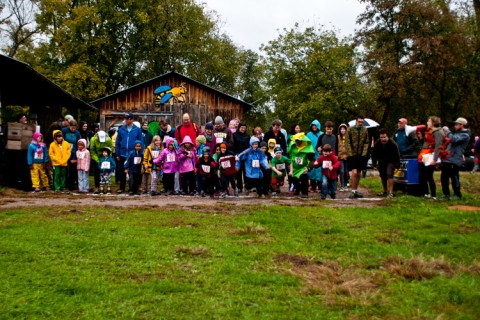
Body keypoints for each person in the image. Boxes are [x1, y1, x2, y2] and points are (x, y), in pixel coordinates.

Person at [440, 118, 471, 200]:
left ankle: (457, 194)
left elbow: (453, 140)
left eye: (456, 124)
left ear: (462, 125)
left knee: (454, 177)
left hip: (455, 159)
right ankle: (445, 193)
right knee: (444, 177)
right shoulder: (457, 134)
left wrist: (447, 131)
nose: (455, 126)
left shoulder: (465, 135)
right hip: (448, 158)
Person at [115, 113, 144, 193]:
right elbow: (117, 142)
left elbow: (141, 142)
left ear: (132, 119)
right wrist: (117, 153)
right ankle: (122, 187)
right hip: (123, 153)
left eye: (127, 119)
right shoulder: (121, 129)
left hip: (133, 154)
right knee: (122, 171)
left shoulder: (137, 130)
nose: (126, 120)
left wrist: (140, 153)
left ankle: (134, 187)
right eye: (125, 119)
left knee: (134, 171)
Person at [418, 116, 444, 200]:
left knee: (429, 176)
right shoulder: (429, 131)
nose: (427, 123)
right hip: (424, 155)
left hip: (430, 156)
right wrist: (421, 138)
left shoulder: (438, 132)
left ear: (433, 122)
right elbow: (426, 144)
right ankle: (426, 193)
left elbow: (438, 146)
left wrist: (434, 159)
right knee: (422, 175)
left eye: (429, 121)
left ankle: (433, 195)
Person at [345, 115, 369, 199]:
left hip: (361, 155)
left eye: (362, 122)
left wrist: (364, 153)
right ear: (356, 121)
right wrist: (350, 153)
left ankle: (355, 190)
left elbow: (366, 142)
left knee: (359, 173)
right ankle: (352, 191)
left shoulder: (365, 130)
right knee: (354, 172)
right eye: (359, 122)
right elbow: (347, 142)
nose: (360, 123)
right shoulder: (350, 129)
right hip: (352, 154)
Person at [372, 129, 400, 198]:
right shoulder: (378, 143)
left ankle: (391, 192)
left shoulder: (392, 143)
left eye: (384, 137)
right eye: (381, 137)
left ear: (387, 136)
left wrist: (397, 166)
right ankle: (385, 190)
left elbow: (397, 155)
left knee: (389, 174)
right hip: (381, 161)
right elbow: (374, 154)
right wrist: (374, 164)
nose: (383, 139)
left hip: (391, 160)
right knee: (383, 175)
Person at [288, 132, 315, 198]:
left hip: (303, 167)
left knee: (304, 177)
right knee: (294, 179)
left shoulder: (308, 149)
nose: (298, 144)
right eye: (297, 142)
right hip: (294, 167)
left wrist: (308, 168)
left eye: (300, 142)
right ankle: (298, 189)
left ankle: (304, 193)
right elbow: (289, 157)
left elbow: (312, 160)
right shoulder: (292, 146)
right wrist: (290, 167)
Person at [90, 130, 112, 194]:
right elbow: (92, 151)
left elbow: (110, 150)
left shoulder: (108, 140)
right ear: (97, 137)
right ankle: (97, 187)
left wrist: (107, 159)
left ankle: (107, 187)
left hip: (106, 157)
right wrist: (98, 160)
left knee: (106, 173)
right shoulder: (93, 140)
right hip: (97, 157)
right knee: (97, 173)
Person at [62, 119, 81, 192]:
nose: (73, 129)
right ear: (69, 126)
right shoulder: (64, 130)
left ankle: (72, 184)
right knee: (65, 169)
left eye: (74, 128)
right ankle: (65, 185)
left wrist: (75, 157)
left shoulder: (77, 133)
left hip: (73, 152)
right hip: (65, 152)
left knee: (73, 170)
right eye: (72, 127)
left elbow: (77, 144)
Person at [306, 120, 323, 192]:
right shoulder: (308, 134)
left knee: (319, 170)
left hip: (319, 154)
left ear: (318, 126)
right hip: (311, 154)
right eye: (313, 125)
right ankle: (312, 187)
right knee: (311, 170)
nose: (314, 127)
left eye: (315, 125)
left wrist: (321, 149)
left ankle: (319, 187)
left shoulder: (322, 134)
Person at [233, 122, 250, 192]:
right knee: (238, 172)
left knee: (246, 171)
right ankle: (239, 186)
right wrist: (234, 155)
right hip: (237, 155)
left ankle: (247, 186)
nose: (243, 129)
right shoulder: (234, 135)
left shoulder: (247, 135)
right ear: (239, 128)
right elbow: (233, 145)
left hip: (245, 156)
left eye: (244, 128)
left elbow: (249, 146)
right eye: (241, 128)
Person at [337, 124, 349, 192]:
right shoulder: (338, 137)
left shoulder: (348, 138)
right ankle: (342, 186)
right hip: (340, 157)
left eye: (344, 129)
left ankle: (345, 185)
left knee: (346, 172)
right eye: (341, 129)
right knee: (341, 171)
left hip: (347, 157)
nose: (342, 130)